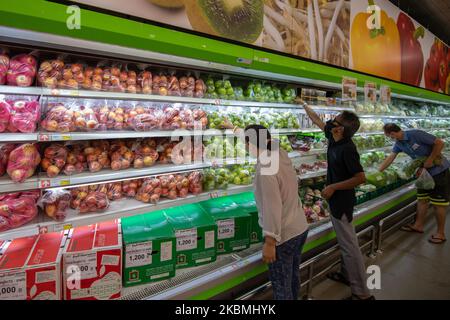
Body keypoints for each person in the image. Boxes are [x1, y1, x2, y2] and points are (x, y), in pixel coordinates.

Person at [302, 101, 374, 300]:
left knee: (349, 246)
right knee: (345, 242)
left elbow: (361, 177)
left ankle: (362, 293)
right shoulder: (333, 136)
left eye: (336, 119)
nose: (331, 120)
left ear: (340, 128)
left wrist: (333, 186)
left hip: (342, 202)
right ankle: (346, 274)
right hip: (334, 200)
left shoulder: (348, 149)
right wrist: (304, 105)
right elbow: (317, 119)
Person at [243, 124, 309, 300]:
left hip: (283, 236)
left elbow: (272, 206)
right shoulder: (279, 153)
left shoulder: (265, 168)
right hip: (300, 227)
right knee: (293, 277)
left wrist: (270, 242)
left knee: (281, 286)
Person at [379, 123, 449, 244]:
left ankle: (441, 233)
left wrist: (430, 160)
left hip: (439, 171)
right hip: (423, 173)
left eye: (388, 136)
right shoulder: (399, 143)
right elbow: (390, 157)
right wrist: (378, 171)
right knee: (422, 200)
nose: (389, 138)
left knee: (439, 204)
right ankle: (418, 225)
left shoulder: (416, 134)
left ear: (392, 134)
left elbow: (440, 143)